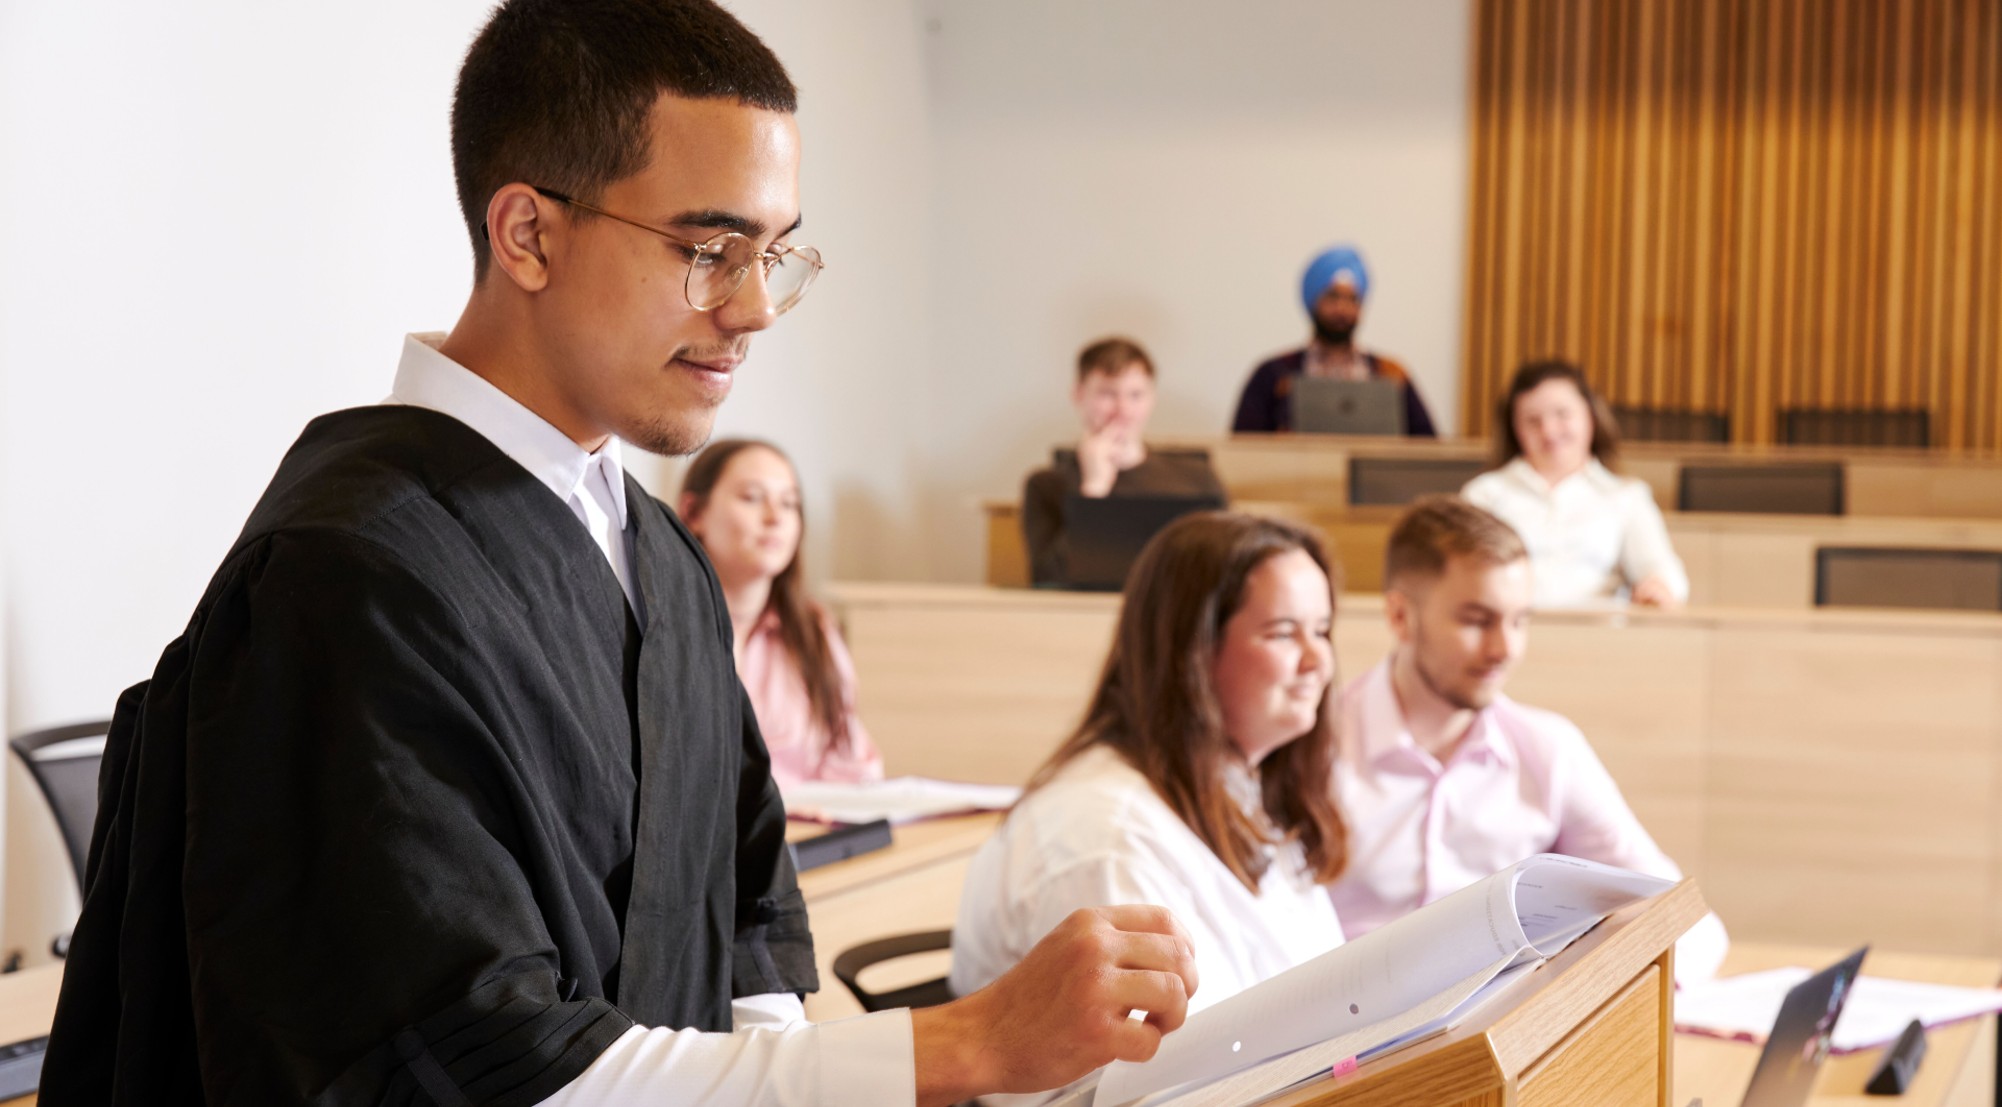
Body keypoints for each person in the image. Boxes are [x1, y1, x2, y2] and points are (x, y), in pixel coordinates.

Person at [40, 3, 1198, 1105]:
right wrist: (964, 1043)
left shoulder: (658, 557)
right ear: (529, 234)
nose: (753, 310)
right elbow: (481, 1068)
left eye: (774, 255)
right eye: (709, 248)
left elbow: (741, 937)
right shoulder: (344, 578)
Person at [953, 512, 1349, 1104]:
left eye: (1322, 631)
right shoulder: (1104, 836)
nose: (1319, 662)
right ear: (1192, 648)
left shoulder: (1241, 790)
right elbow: (1135, 1088)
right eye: (1283, 633)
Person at [1329, 495, 1727, 984]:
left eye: (1520, 620)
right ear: (1399, 617)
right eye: (1477, 621)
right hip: (1346, 1044)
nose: (1506, 649)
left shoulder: (1546, 749)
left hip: (1500, 1036)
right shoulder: (1316, 748)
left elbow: (1686, 924)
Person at [678, 438, 885, 789]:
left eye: (789, 504)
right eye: (752, 498)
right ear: (694, 514)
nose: (775, 518)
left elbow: (853, 767)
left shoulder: (813, 628)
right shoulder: (659, 625)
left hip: (809, 834)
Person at [1461, 360, 1688, 608]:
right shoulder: (1483, 494)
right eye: (1532, 420)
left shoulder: (1626, 496)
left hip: (1601, 636)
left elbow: (1662, 570)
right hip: (1510, 634)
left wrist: (1656, 586)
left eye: (1562, 414)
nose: (1548, 431)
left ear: (1590, 416)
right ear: (1515, 429)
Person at [1022, 337, 1226, 585]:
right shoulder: (1045, 485)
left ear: (1152, 398)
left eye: (1136, 395)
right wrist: (1094, 489)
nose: (1123, 409)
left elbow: (1223, 570)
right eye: (1107, 394)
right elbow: (1048, 578)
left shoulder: (1197, 477)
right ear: (1079, 394)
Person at [1230, 245, 1437, 437]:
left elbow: (1428, 449)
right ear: (1313, 301)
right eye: (1332, 297)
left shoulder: (1391, 374)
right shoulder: (1273, 374)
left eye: (1352, 299)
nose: (1342, 309)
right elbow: (1241, 449)